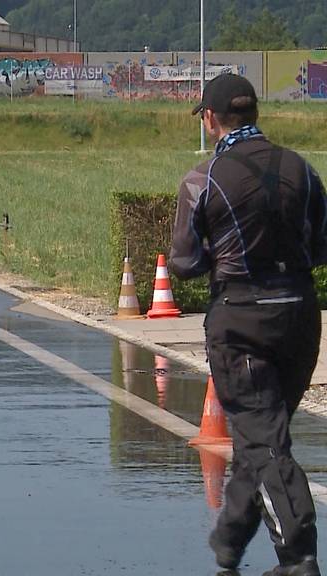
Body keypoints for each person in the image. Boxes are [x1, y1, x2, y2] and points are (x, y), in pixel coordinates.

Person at [170, 73, 327, 576]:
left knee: (263, 440)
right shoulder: (302, 170)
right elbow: (322, 246)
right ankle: (230, 540)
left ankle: (297, 556)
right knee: (262, 432)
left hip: (240, 321)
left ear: (211, 119)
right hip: (301, 316)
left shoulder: (202, 180)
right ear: (256, 115)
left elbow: (185, 261)